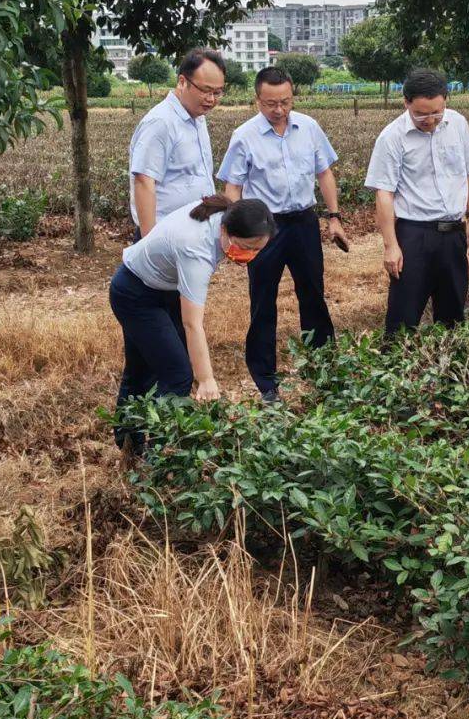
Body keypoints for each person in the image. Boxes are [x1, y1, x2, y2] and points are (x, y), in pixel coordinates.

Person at [218, 66, 346, 402]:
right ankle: (267, 384)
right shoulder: (244, 136)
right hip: (264, 227)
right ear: (257, 100)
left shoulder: (309, 127)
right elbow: (233, 186)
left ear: (293, 96)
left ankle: (323, 369)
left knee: (313, 295)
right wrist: (234, 231)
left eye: (285, 102)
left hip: (303, 222)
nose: (279, 110)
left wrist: (334, 217)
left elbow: (325, 173)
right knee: (263, 303)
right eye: (271, 103)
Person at [109, 194, 275, 454]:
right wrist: (206, 379)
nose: (250, 255)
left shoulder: (225, 214)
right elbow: (192, 324)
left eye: (257, 250)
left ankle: (131, 444)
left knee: (143, 368)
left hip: (162, 288)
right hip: (135, 295)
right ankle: (159, 453)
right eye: (246, 246)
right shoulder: (196, 248)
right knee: (177, 375)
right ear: (225, 230)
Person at [365, 67, 469, 337]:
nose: (430, 120)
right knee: (402, 320)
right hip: (414, 236)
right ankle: (395, 362)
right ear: (406, 103)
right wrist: (391, 246)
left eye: (437, 112)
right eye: (421, 114)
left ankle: (448, 363)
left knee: (452, 319)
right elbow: (384, 193)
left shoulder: (458, 124)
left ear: (445, 100)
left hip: (453, 234)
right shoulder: (391, 137)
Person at [128, 48, 226, 238]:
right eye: (205, 90)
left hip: (194, 233)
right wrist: (150, 243)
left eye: (217, 92)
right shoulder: (161, 122)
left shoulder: (197, 117)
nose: (211, 99)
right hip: (165, 236)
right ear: (182, 82)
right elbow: (144, 182)